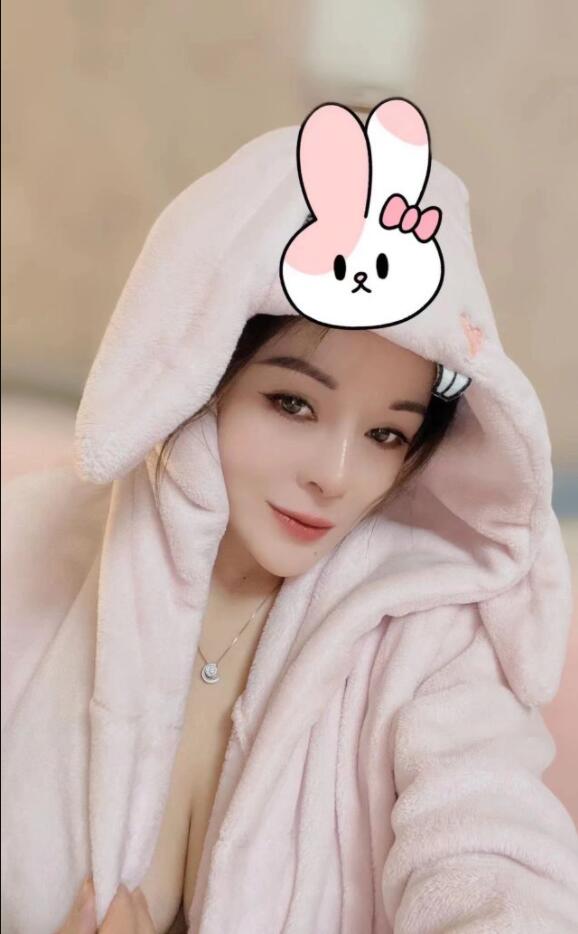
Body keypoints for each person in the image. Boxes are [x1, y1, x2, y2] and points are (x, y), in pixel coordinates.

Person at [2, 122, 578, 934]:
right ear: (204, 373)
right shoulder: (26, 549)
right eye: (293, 403)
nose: (335, 475)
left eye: (387, 434)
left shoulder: (434, 637)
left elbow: (495, 858)